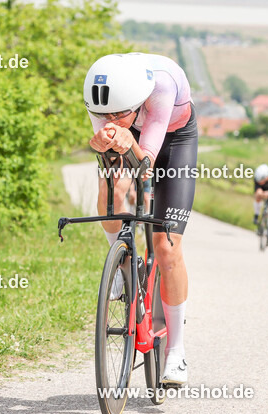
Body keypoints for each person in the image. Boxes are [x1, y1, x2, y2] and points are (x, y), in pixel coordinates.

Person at [84, 52, 197, 386]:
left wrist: (129, 139)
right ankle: (121, 262)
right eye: (103, 115)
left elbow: (145, 164)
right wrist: (104, 143)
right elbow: (112, 159)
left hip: (174, 141)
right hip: (134, 134)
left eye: (118, 115)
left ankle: (176, 351)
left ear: (136, 101)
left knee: (166, 246)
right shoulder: (101, 94)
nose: (110, 120)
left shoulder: (162, 85)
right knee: (111, 187)